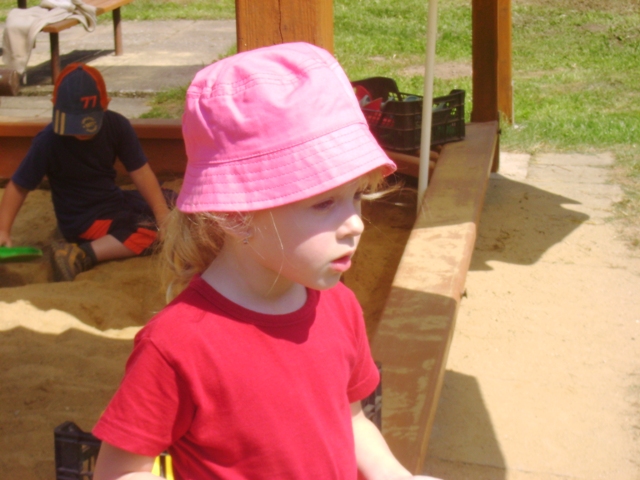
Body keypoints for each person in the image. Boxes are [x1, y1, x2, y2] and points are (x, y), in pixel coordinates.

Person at [91, 42, 441, 480]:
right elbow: (122, 470)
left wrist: (396, 475)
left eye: (356, 196)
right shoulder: (178, 345)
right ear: (237, 214)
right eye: (323, 203)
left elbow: (350, 421)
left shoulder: (340, 308)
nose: (355, 223)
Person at [0, 63, 173, 281]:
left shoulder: (117, 126)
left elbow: (141, 173)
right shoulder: (48, 141)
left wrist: (162, 214)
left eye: (87, 124)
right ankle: (82, 254)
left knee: (173, 205)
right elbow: (19, 186)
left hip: (113, 201)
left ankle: (140, 227)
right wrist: (3, 230)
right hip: (82, 219)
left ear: (105, 106)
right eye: (72, 123)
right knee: (148, 230)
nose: (80, 132)